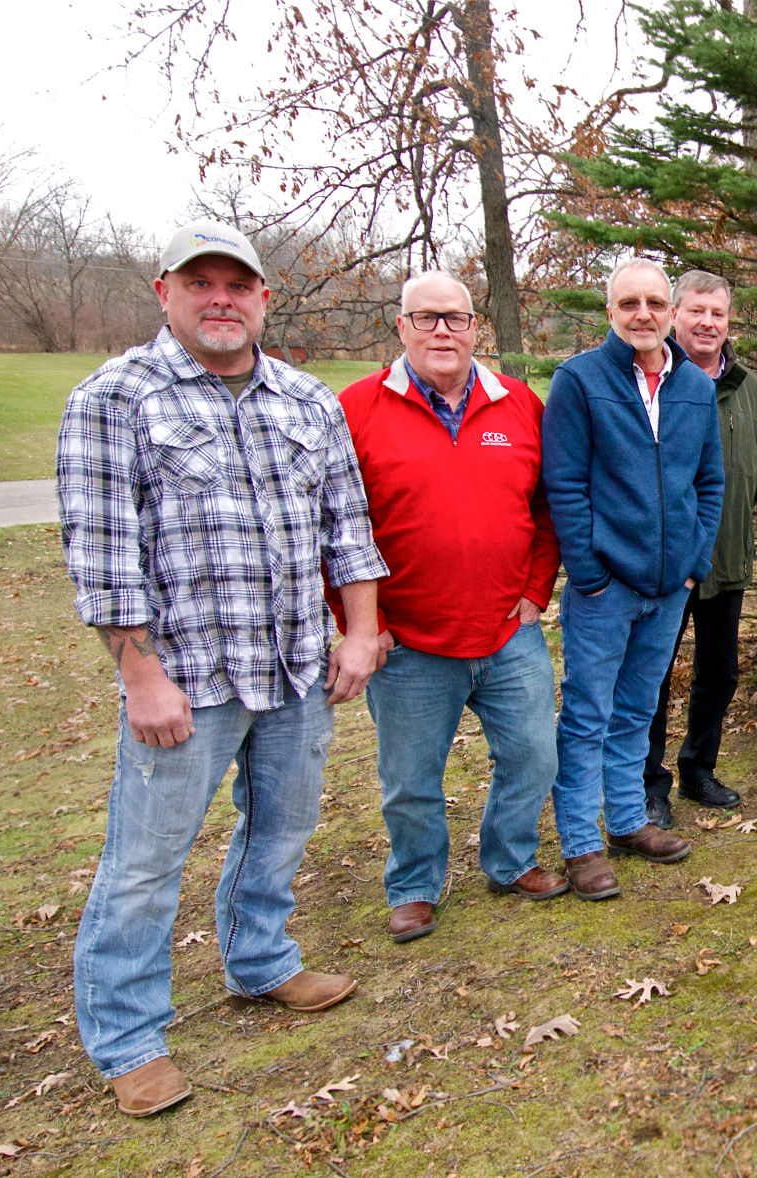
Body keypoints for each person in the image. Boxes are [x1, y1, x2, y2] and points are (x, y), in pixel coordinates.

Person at [56, 220, 389, 1117]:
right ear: (163, 292)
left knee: (280, 829)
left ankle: (261, 960)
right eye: (198, 282)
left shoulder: (304, 401)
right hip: (188, 678)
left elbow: (347, 528)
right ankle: (127, 1037)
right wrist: (141, 677)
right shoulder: (115, 399)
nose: (219, 298)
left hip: (294, 666)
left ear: (262, 299)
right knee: (144, 860)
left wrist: (358, 632)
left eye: (236, 284)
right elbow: (102, 554)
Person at [332, 271, 564, 944]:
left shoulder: (518, 403)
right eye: (425, 318)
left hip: (505, 630)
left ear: (474, 328)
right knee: (410, 781)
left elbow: (546, 508)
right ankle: (413, 885)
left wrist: (534, 588)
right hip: (407, 641)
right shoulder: (358, 408)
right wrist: (359, 624)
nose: (441, 331)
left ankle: (510, 859)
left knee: (532, 755)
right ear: (400, 326)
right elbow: (333, 527)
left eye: (455, 319)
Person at [542, 257, 723, 900]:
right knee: (588, 713)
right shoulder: (580, 381)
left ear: (671, 312)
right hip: (604, 587)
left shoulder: (695, 388)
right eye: (629, 304)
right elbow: (563, 485)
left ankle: (625, 821)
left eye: (653, 302)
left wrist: (693, 565)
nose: (642, 315)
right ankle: (581, 844)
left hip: (669, 587)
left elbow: (709, 483)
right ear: (610, 313)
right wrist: (588, 573)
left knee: (637, 709)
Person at [642, 271, 757, 828]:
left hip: (728, 558)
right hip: (665, 564)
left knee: (720, 672)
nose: (707, 323)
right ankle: (649, 786)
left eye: (717, 314)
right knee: (655, 675)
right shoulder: (652, 381)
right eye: (696, 312)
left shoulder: (749, 388)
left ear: (728, 320)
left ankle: (699, 769)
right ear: (674, 315)